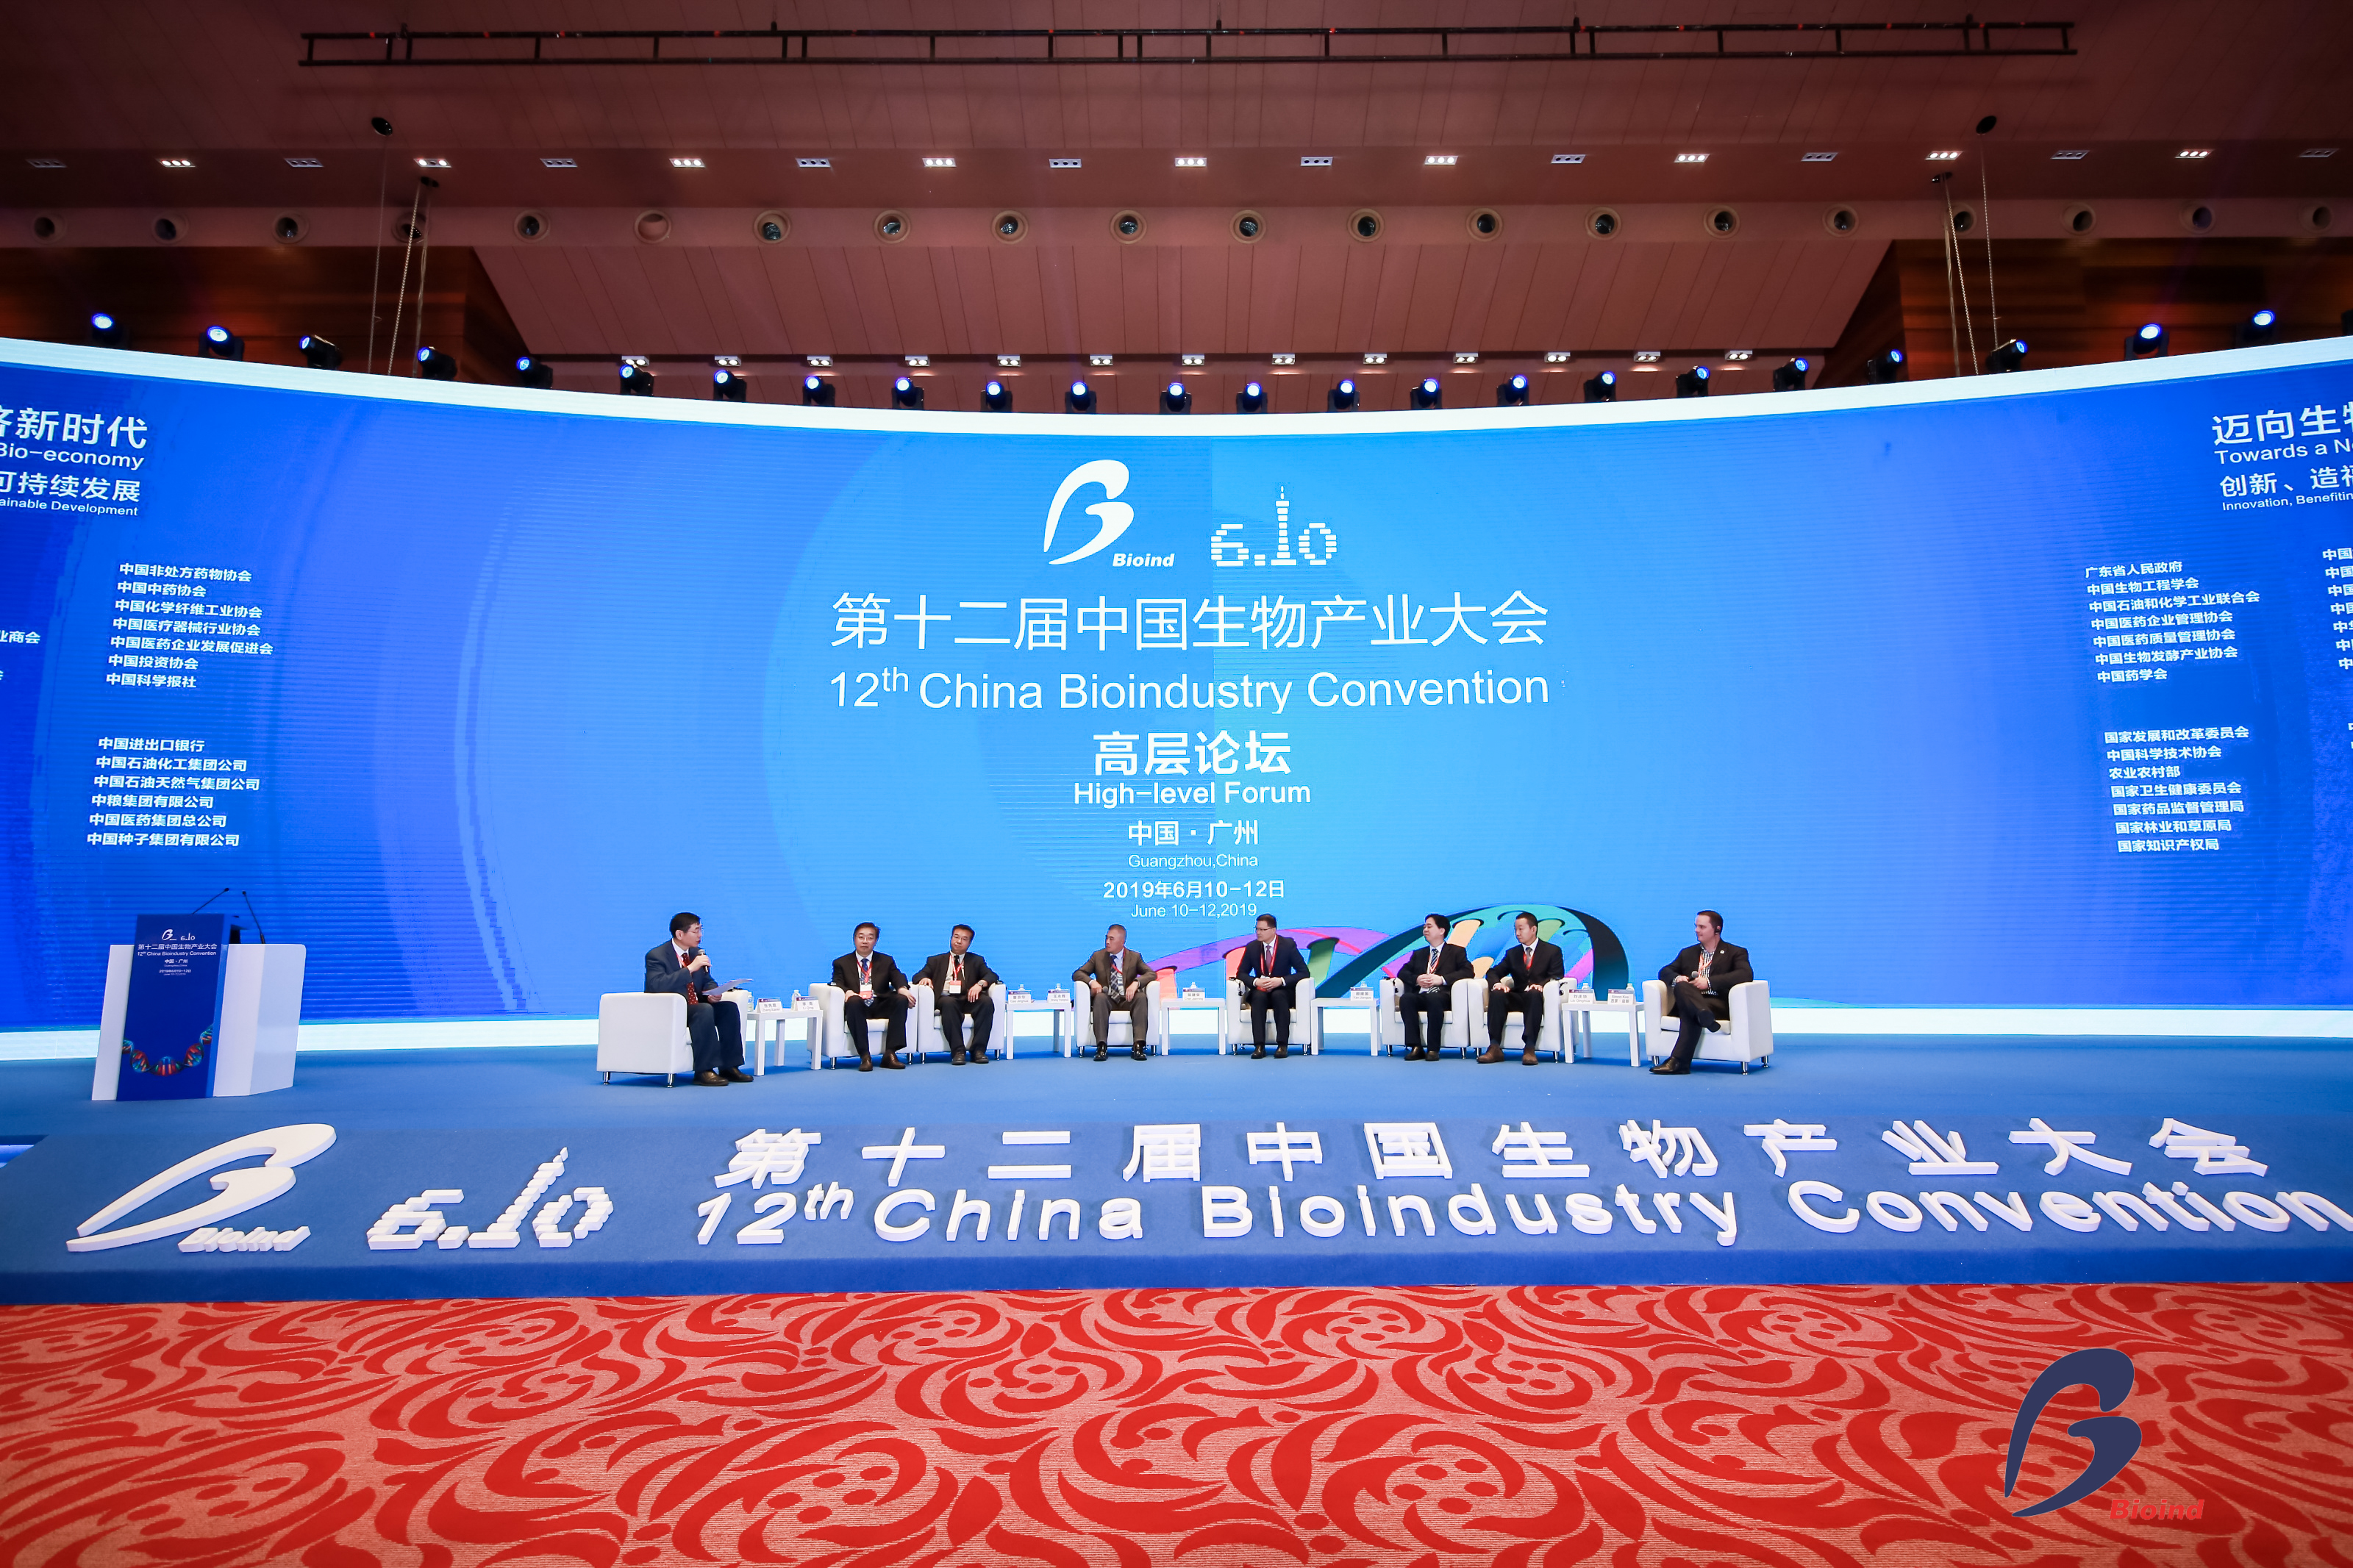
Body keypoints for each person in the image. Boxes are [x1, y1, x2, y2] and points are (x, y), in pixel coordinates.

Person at [643, 912, 747, 1086]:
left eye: (701, 929)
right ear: (680, 934)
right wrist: (690, 969)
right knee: (703, 1010)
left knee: (728, 1008)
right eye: (696, 931)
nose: (700, 935)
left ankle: (730, 1067)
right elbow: (656, 985)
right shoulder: (657, 955)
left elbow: (707, 980)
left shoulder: (696, 953)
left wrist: (712, 992)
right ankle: (704, 1071)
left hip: (695, 1007)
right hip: (671, 1010)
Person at [1652, 909, 1753, 1075]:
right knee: (1682, 986)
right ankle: (1702, 1015)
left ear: (1717, 929)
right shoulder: (1688, 953)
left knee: (1689, 1010)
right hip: (1695, 1002)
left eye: (1702, 927)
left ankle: (1679, 1062)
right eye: (1696, 926)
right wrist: (1678, 978)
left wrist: (1709, 982)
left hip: (1717, 1004)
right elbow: (1665, 971)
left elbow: (1745, 974)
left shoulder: (1735, 952)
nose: (1696, 930)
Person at [1481, 910, 1562, 1065]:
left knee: (1533, 993)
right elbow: (1493, 972)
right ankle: (1494, 1047)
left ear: (1533, 929)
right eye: (1515, 929)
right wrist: (1497, 984)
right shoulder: (1513, 953)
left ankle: (1530, 1048)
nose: (1517, 933)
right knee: (1497, 994)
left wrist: (1541, 985)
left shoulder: (1552, 951)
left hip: (1539, 998)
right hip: (1519, 996)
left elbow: (1557, 975)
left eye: (1521, 929)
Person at [829, 922, 913, 1071]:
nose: (865, 941)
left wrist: (902, 988)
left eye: (870, 938)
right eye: (861, 937)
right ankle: (865, 1056)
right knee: (854, 1001)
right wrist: (847, 991)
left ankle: (890, 1054)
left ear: (876, 941)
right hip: (858, 1006)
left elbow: (898, 976)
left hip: (880, 1003)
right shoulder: (841, 962)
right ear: (854, 939)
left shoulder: (886, 960)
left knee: (901, 999)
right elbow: (836, 982)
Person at [915, 925, 998, 1064]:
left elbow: (992, 975)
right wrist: (925, 978)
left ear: (969, 943)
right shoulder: (935, 960)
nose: (959, 941)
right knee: (949, 1003)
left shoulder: (977, 960)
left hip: (968, 998)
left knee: (986, 1002)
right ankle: (958, 1051)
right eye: (956, 937)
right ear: (951, 938)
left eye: (964, 939)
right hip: (946, 999)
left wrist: (980, 984)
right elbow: (918, 975)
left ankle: (978, 1051)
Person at [1397, 913, 1474, 1060]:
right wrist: (1417, 979)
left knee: (1434, 998)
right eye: (1424, 927)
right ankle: (1416, 1047)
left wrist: (1442, 980)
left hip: (1442, 995)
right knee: (1407, 999)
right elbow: (1403, 972)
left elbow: (1468, 971)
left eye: (1429, 926)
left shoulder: (1456, 952)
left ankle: (1433, 1049)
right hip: (1422, 994)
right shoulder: (1419, 954)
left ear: (1441, 930)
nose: (1425, 930)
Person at [1236, 912, 1313, 1059]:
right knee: (1258, 997)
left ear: (1273, 930)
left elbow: (1304, 972)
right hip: (1260, 990)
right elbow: (1241, 973)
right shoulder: (1252, 947)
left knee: (1279, 996)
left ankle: (1282, 1045)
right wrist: (1256, 981)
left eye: (1262, 930)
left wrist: (1281, 980)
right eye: (1257, 929)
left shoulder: (1288, 945)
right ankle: (1259, 1046)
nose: (1258, 933)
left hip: (1283, 990)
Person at [1072, 923, 1151, 1061]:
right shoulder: (1098, 956)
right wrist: (1091, 982)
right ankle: (1101, 1047)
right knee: (1100, 998)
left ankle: (1138, 1046)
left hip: (1127, 999)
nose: (1107, 942)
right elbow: (1078, 973)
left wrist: (1136, 983)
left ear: (1122, 942)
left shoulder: (1135, 957)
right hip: (1107, 1000)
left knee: (1141, 997)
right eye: (1106, 938)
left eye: (1111, 939)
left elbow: (1151, 974)